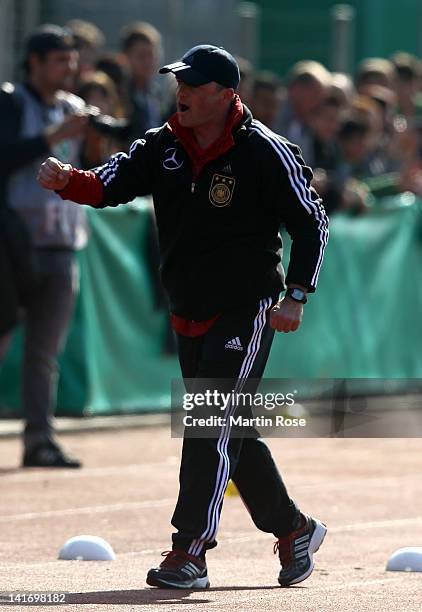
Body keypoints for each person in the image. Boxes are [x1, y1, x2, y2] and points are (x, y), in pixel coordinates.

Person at [38, 44, 329, 587]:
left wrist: (296, 294)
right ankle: (294, 530)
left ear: (225, 95)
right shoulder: (163, 144)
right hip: (187, 307)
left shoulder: (266, 151)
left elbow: (313, 221)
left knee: (210, 425)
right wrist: (67, 180)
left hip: (248, 307)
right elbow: (109, 183)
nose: (183, 94)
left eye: (195, 87)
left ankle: (190, 551)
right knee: (226, 429)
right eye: (181, 85)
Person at [0, 24, 89, 468]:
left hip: (61, 245)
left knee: (44, 353)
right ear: (33, 62)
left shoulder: (75, 108)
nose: (69, 67)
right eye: (59, 59)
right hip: (12, 246)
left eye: (71, 58)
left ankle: (39, 439)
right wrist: (52, 138)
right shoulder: (10, 101)